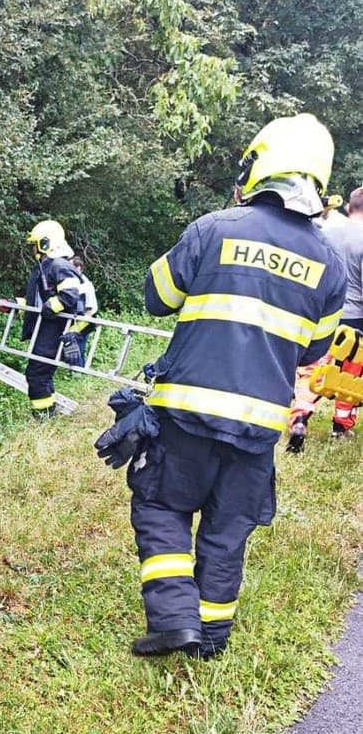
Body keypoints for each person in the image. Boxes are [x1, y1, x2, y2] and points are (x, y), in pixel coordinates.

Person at [122, 113, 346, 659]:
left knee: (159, 506)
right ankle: (213, 637)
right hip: (259, 429)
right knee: (228, 529)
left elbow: (157, 296)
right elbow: (314, 352)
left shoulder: (213, 228)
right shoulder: (329, 264)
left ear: (259, 165)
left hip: (185, 415)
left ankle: (176, 619)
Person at [287, 185, 363, 447]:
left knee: (311, 369)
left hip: (320, 312)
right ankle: (341, 426)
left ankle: (300, 416)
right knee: (350, 374)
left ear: (348, 207)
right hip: (355, 318)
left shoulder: (324, 233)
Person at [21, 219, 85, 415]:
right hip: (47, 328)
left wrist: (52, 307)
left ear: (45, 243)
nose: (33, 250)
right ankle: (48, 411)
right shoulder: (45, 266)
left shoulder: (57, 265)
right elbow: (39, 300)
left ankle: (43, 415)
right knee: (41, 372)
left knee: (37, 372)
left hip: (53, 328)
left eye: (35, 245)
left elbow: (70, 294)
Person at [69, 255, 99, 366]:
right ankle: (74, 368)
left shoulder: (85, 284)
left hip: (86, 317)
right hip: (75, 317)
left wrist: (79, 325)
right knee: (71, 343)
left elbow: (90, 308)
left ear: (78, 268)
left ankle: (78, 370)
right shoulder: (71, 281)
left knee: (78, 343)